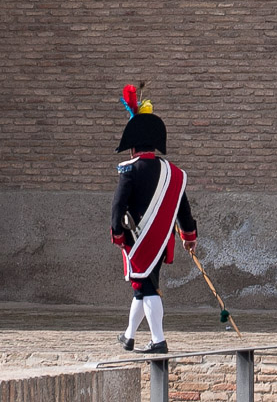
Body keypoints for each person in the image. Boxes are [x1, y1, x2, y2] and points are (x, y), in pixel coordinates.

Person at [111, 86, 197, 354]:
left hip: (137, 241)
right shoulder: (173, 174)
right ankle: (129, 336)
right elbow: (183, 209)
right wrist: (189, 237)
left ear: (134, 144)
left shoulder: (130, 170)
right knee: (142, 286)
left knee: (147, 288)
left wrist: (117, 234)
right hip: (160, 241)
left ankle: (158, 340)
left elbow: (117, 206)